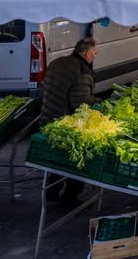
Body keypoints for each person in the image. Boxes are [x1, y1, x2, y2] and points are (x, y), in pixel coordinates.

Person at [40, 36, 98, 204]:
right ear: (87, 53)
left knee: (56, 159)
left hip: (48, 118)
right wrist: (100, 103)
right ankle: (70, 197)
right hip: (66, 124)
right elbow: (80, 102)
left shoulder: (57, 62)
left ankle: (51, 194)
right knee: (75, 161)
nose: (94, 56)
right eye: (94, 53)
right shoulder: (82, 72)